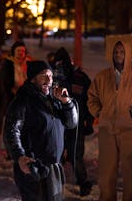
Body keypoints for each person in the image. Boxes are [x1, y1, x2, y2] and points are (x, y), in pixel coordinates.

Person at [87, 40, 132, 201]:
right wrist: (99, 112)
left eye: (122, 52)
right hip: (107, 131)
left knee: (131, 173)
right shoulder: (102, 76)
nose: (118, 55)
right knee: (106, 173)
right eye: (116, 52)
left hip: (131, 130)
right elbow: (92, 98)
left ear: (128, 54)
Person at [4, 60, 78, 201]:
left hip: (54, 166)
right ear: (32, 79)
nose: (49, 79)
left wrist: (66, 103)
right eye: (43, 75)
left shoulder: (54, 99)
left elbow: (71, 123)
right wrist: (20, 157)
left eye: (50, 75)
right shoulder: (23, 100)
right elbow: (12, 131)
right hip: (34, 167)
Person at [51, 47, 94, 196]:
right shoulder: (52, 78)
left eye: (63, 63)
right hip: (58, 124)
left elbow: (91, 100)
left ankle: (83, 182)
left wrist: (89, 121)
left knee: (76, 155)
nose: (61, 67)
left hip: (77, 124)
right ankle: (56, 184)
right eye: (58, 64)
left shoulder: (80, 78)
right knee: (57, 155)